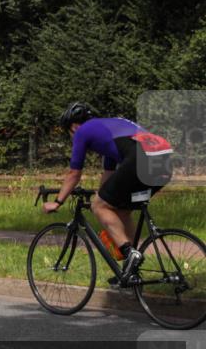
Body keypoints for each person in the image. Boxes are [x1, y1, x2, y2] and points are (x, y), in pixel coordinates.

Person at [42, 102, 172, 286]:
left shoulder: (82, 131)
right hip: (164, 158)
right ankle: (131, 269)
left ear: (73, 126)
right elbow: (109, 176)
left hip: (140, 158)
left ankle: (130, 253)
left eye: (68, 132)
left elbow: (74, 173)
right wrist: (100, 194)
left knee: (98, 206)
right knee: (121, 210)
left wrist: (57, 202)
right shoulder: (109, 128)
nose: (71, 136)